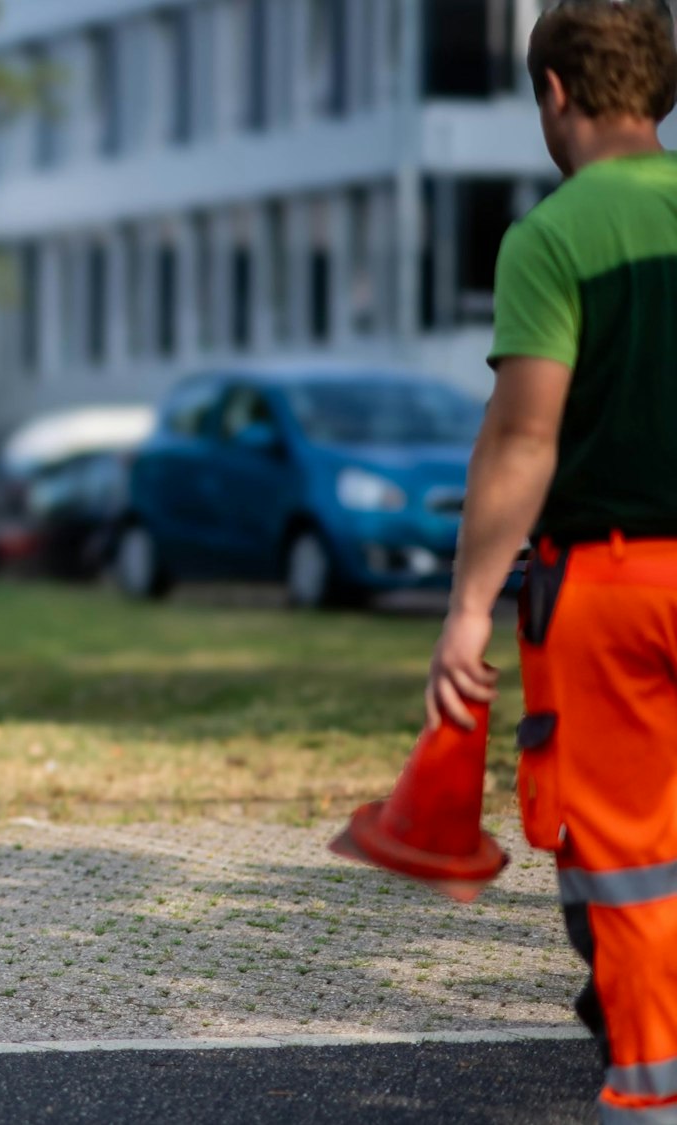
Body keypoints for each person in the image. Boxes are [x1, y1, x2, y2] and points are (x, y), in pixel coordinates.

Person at [425, 2, 677, 1120]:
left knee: (623, 861)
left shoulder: (553, 234)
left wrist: (468, 605)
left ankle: (651, 1080)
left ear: (555, 96)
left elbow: (523, 435)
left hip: (612, 590)